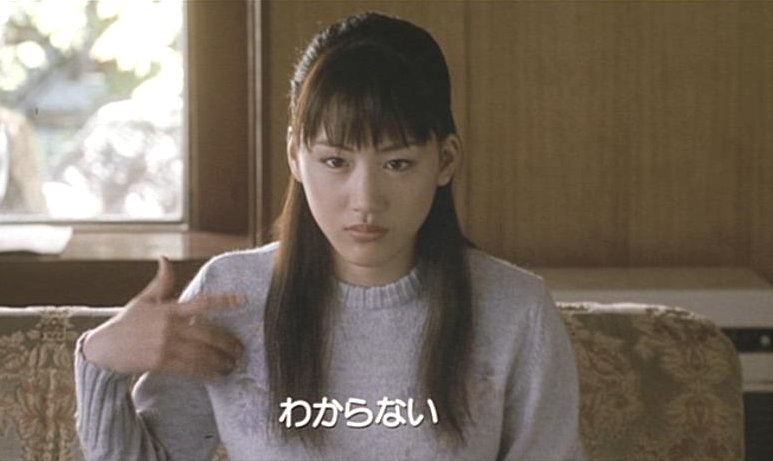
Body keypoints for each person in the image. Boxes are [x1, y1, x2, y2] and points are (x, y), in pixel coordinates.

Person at [75, 11, 586, 461]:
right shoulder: (232, 296)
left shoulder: (514, 309)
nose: (365, 199)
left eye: (398, 163)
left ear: (445, 160)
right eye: (336, 161)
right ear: (296, 156)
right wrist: (100, 361)